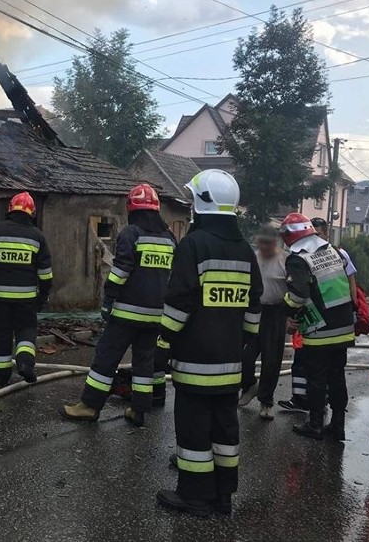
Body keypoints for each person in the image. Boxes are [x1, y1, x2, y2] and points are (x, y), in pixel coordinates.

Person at [156, 169, 263, 518]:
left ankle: (194, 497)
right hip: (230, 364)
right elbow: (254, 306)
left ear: (202, 204)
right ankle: (223, 496)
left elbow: (179, 302)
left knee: (194, 433)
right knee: (225, 431)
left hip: (195, 365)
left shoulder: (193, 245)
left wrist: (163, 343)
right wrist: (244, 345)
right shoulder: (245, 251)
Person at [61, 184, 175, 426]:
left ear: (132, 208)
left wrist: (108, 299)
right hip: (156, 315)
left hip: (126, 314)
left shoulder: (131, 234)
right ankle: (138, 410)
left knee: (106, 357)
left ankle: (90, 406)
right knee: (144, 362)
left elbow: (120, 272)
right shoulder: (169, 238)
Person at [280, 212, 355, 441]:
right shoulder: (333, 251)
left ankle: (314, 424)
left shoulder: (298, 258)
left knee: (316, 379)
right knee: (336, 377)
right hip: (343, 327)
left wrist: (286, 311)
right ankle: (338, 425)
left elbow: (299, 294)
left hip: (319, 329)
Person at [0, 191, 52, 386]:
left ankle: (2, 375)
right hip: (26, 298)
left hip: (0, 296)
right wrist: (43, 297)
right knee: (26, 329)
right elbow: (45, 273)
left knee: (2, 333)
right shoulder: (37, 237)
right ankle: (25, 363)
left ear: (10, 209)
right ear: (32, 213)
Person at [239, 225, 288, 420]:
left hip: (276, 312)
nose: (264, 247)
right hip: (254, 310)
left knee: (271, 361)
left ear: (275, 243)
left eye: (267, 243)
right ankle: (249, 385)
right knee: (245, 355)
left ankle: (266, 402)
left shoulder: (285, 260)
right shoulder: (253, 258)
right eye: (261, 243)